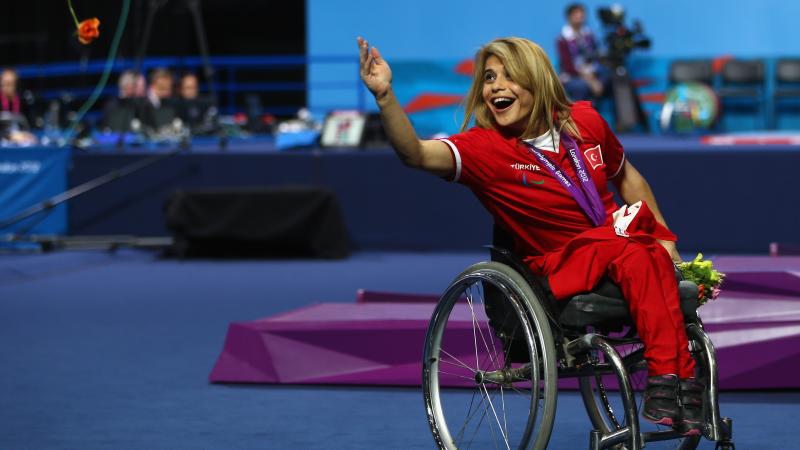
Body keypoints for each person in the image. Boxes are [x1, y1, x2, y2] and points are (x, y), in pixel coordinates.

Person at [357, 36, 703, 436]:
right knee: (636, 254)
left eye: (509, 76)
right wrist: (384, 96)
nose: (495, 87)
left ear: (537, 81)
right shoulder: (484, 151)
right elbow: (415, 154)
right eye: (489, 78)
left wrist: (666, 240)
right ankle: (672, 378)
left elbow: (627, 176)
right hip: (558, 262)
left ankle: (681, 385)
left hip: (617, 247)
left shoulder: (585, 121)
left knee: (650, 255)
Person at [557, 3, 608, 101]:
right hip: (573, 76)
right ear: (569, 17)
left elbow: (596, 56)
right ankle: (581, 114)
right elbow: (568, 66)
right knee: (581, 87)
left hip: (593, 72)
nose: (580, 16)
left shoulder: (589, 35)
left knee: (610, 79)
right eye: (576, 13)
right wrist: (590, 80)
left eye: (581, 13)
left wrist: (593, 74)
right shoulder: (562, 39)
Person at [141, 67, 177, 131]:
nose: (166, 93)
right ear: (152, 86)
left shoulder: (172, 104)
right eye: (162, 88)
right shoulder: (142, 106)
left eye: (168, 89)